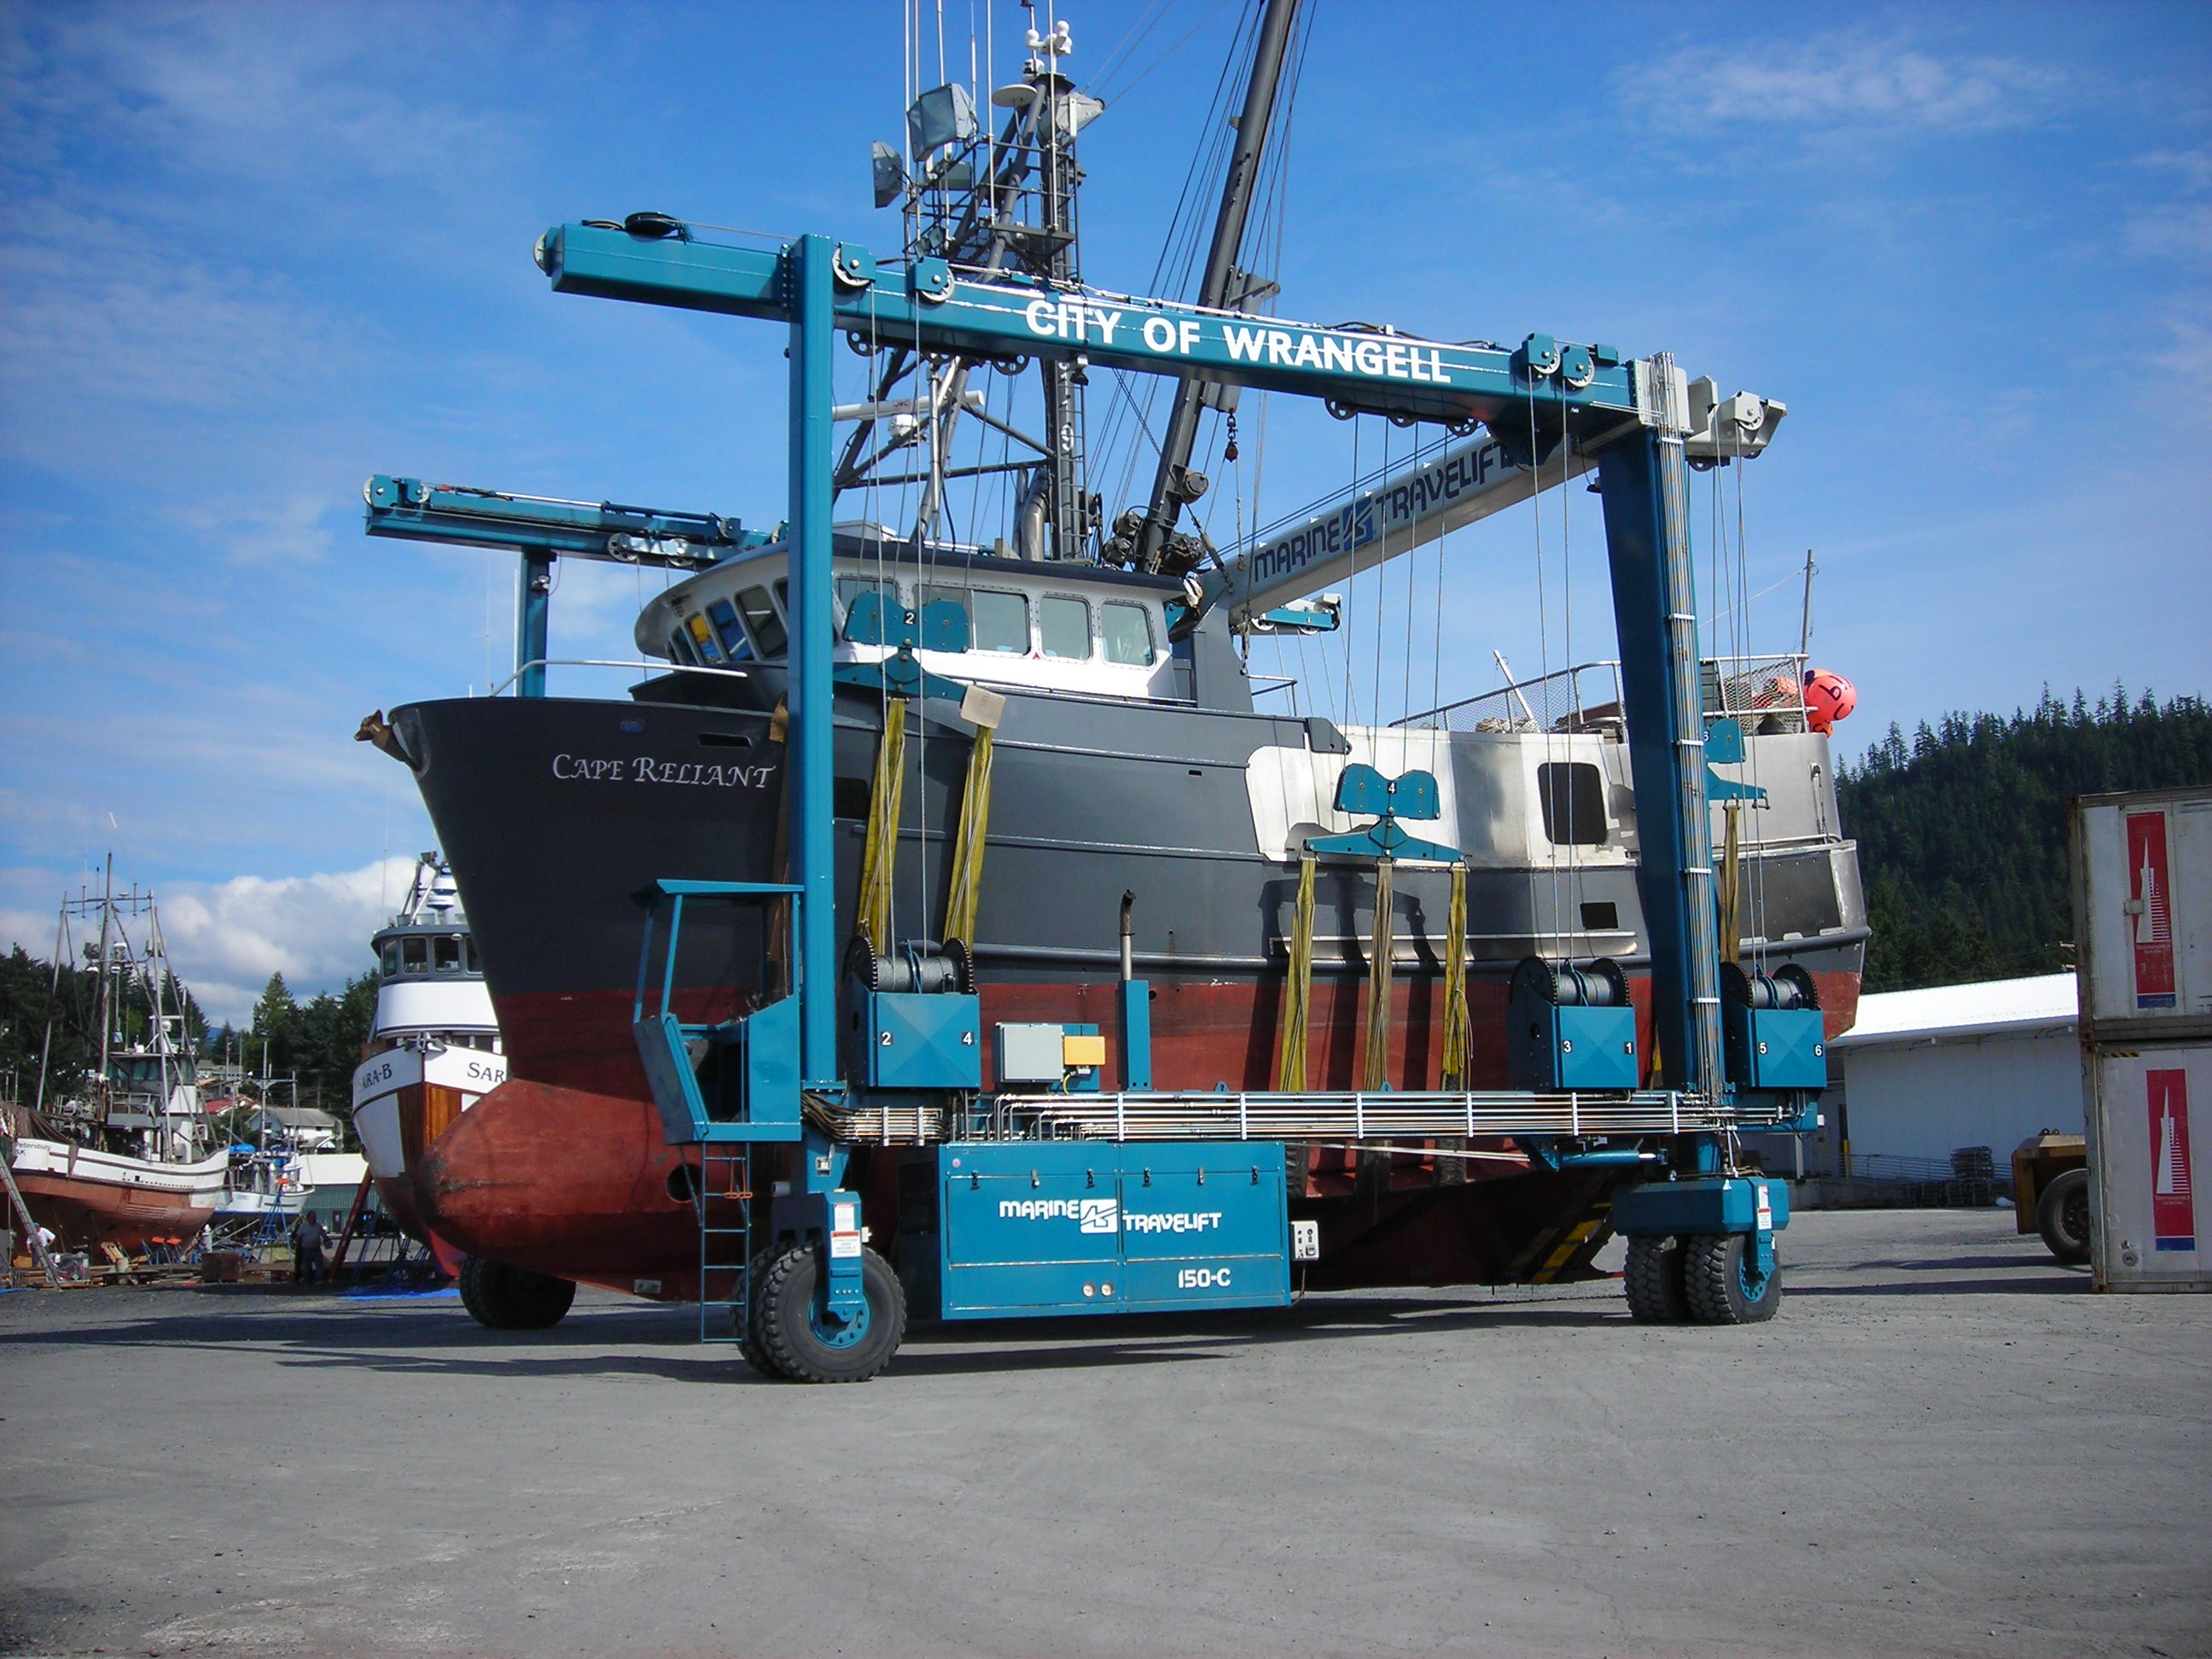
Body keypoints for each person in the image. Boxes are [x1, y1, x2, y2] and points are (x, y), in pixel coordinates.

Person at [290, 1212, 328, 1286]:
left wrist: (327, 1241)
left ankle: (319, 1279)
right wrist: (295, 1243)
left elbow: (323, 1234)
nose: (314, 1219)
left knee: (319, 1265)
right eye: (312, 1217)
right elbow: (298, 1235)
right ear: (308, 1218)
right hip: (306, 1249)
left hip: (316, 1249)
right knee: (307, 1266)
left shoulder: (318, 1226)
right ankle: (306, 1279)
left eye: (315, 1217)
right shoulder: (303, 1226)